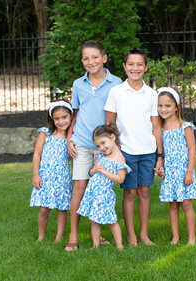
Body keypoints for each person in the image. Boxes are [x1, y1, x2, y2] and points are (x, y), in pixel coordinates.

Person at [65, 40, 122, 251]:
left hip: (104, 147)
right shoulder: (78, 84)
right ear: (82, 61)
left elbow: (117, 115)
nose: (91, 62)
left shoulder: (116, 83)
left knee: (98, 189)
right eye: (86, 58)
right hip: (80, 142)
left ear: (104, 58)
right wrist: (70, 137)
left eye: (95, 57)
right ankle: (73, 236)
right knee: (79, 187)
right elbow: (76, 113)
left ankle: (96, 235)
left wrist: (114, 144)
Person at [104, 47, 163, 246]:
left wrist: (159, 155)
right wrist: (116, 151)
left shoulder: (152, 94)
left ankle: (144, 235)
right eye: (131, 64)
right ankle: (131, 236)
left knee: (144, 192)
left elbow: (156, 127)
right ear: (124, 66)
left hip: (147, 151)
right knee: (129, 193)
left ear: (146, 67)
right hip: (126, 152)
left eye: (139, 64)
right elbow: (109, 125)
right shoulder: (116, 92)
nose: (135, 68)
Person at [157, 87, 196, 245]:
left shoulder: (185, 126)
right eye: (160, 106)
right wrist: (160, 168)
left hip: (183, 171)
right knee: (173, 204)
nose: (163, 109)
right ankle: (175, 237)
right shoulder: (160, 129)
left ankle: (191, 237)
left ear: (177, 106)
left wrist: (189, 172)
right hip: (169, 172)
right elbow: (160, 152)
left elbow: (192, 149)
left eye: (168, 106)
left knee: (186, 204)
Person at [77, 124, 130, 250]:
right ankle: (96, 245)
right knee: (94, 220)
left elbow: (121, 178)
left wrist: (105, 172)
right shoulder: (102, 156)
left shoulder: (119, 159)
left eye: (103, 143)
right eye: (98, 146)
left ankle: (120, 246)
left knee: (111, 220)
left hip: (104, 194)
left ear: (112, 137)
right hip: (94, 193)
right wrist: (94, 169)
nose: (101, 148)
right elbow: (90, 173)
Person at [30, 99, 74, 242]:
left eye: (64, 117)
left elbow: (74, 158)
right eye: (57, 118)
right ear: (52, 119)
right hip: (46, 176)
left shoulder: (72, 138)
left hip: (63, 177)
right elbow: (37, 154)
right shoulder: (46, 134)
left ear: (71, 117)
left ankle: (58, 237)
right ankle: (41, 236)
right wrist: (36, 175)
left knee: (62, 209)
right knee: (44, 209)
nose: (61, 121)